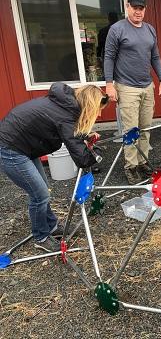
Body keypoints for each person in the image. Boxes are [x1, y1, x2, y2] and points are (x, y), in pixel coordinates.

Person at [0, 83, 107, 252]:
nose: (99, 114)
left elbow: (67, 131)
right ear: (89, 105)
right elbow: (83, 159)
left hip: (24, 145)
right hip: (11, 149)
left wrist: (85, 136)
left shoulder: (66, 106)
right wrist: (96, 152)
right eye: (98, 110)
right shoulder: (66, 115)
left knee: (41, 190)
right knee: (39, 194)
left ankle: (51, 226)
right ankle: (41, 237)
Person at [104, 0, 161, 184]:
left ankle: (142, 161)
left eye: (141, 8)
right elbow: (108, 57)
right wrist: (109, 84)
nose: (138, 12)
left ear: (144, 9)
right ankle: (131, 166)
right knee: (131, 130)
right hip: (126, 87)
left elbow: (155, 57)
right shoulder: (117, 29)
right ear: (128, 7)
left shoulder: (149, 29)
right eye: (135, 8)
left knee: (145, 127)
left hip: (147, 86)